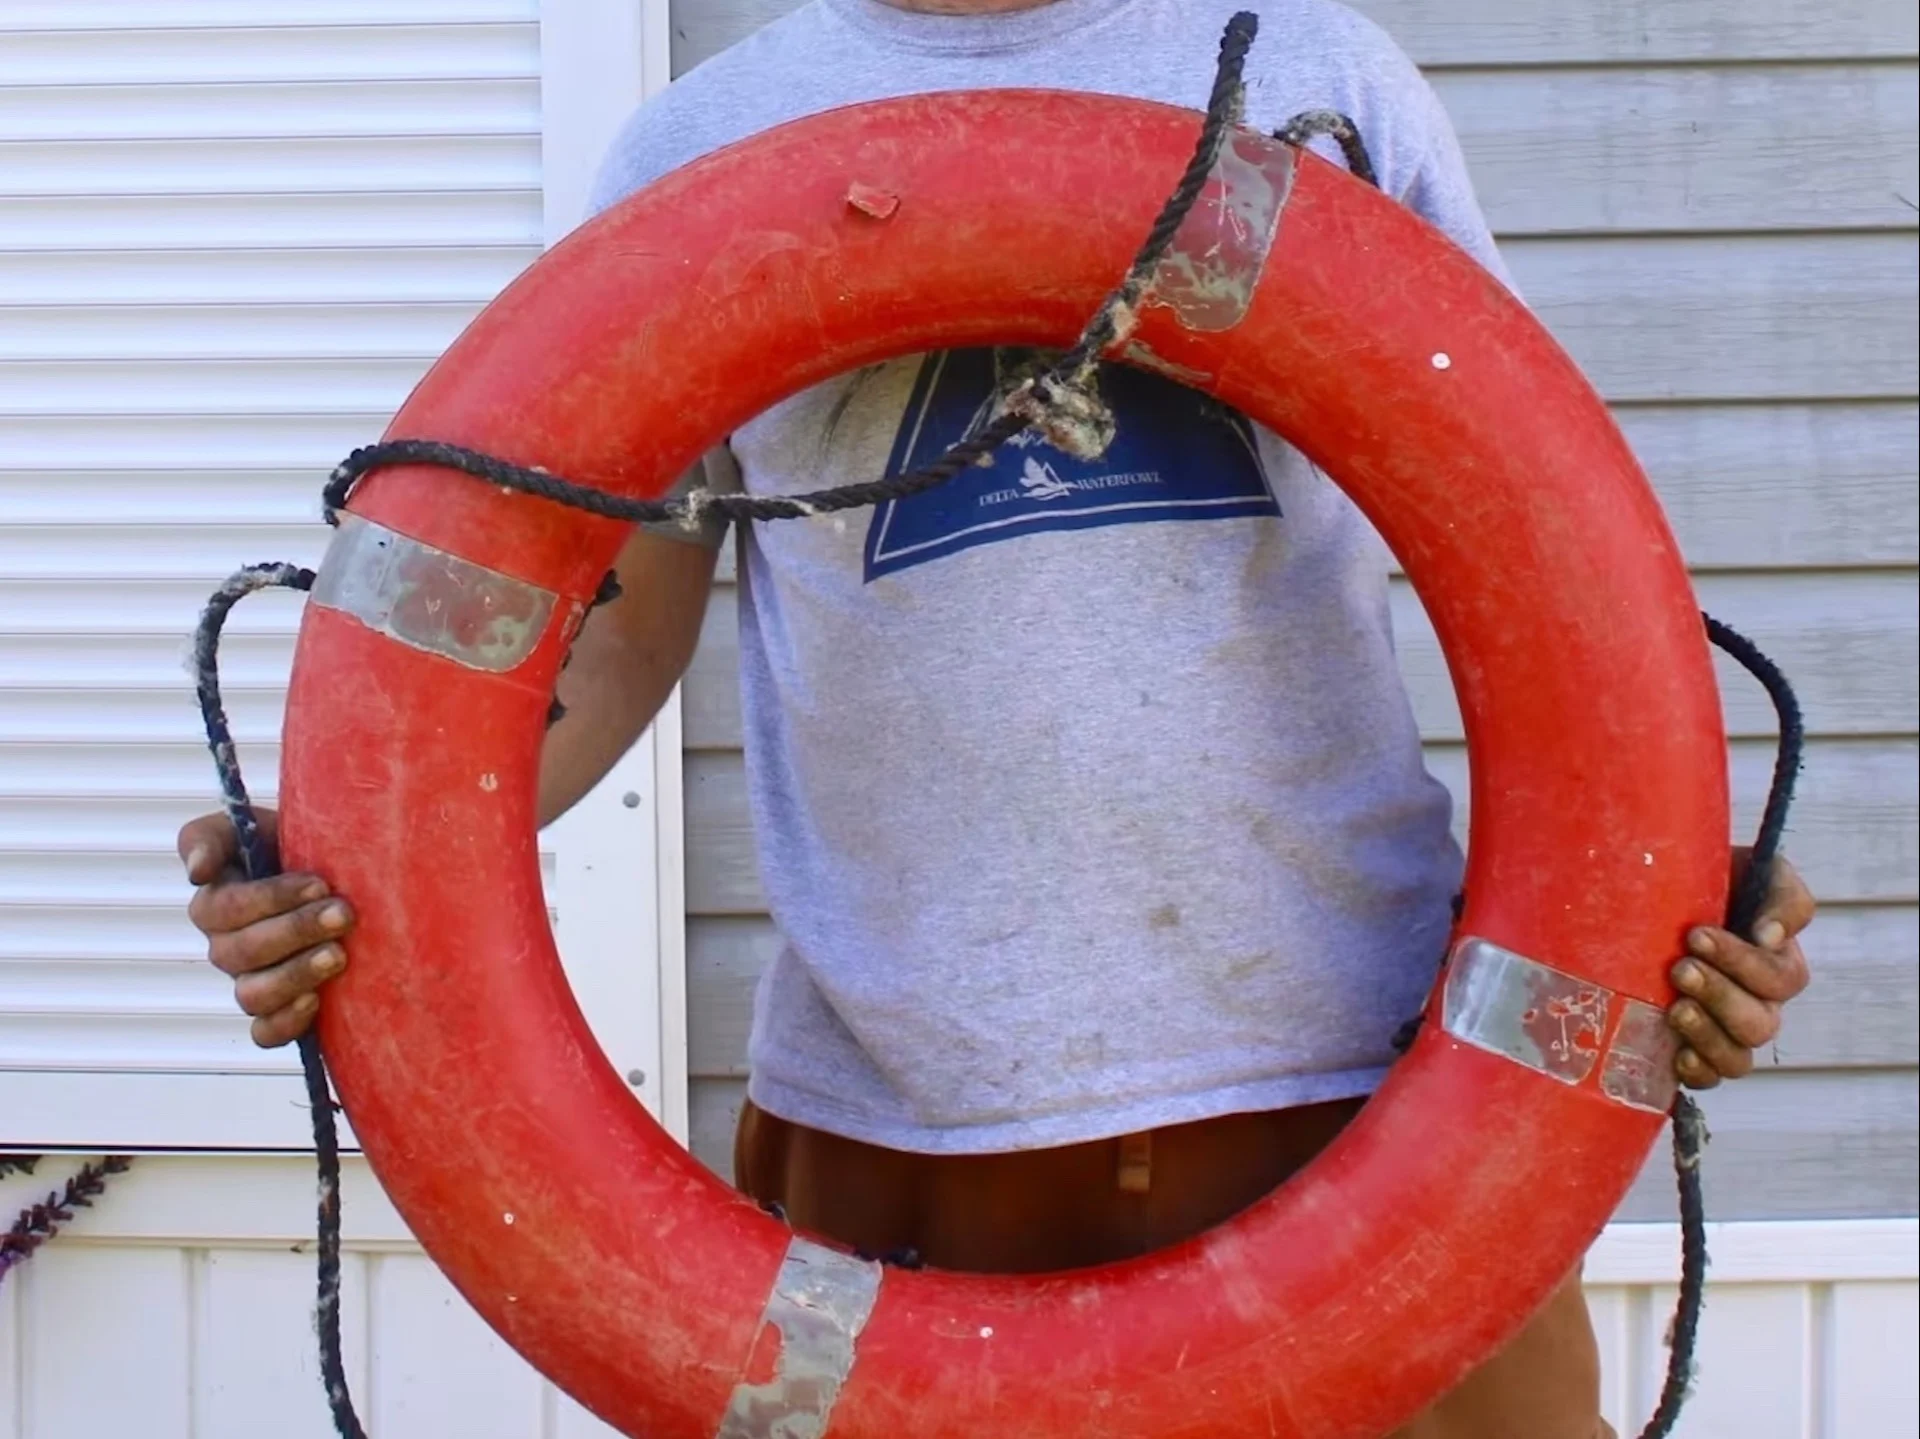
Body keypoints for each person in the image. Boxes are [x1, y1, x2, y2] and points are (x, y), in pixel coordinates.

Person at [177, 1, 1816, 1434]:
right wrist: (352, 860)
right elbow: (613, 639)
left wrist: (1655, 898)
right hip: (905, 1131)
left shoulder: (1318, 74)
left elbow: (1531, 545)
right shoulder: (703, 144)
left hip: (1371, 1097)